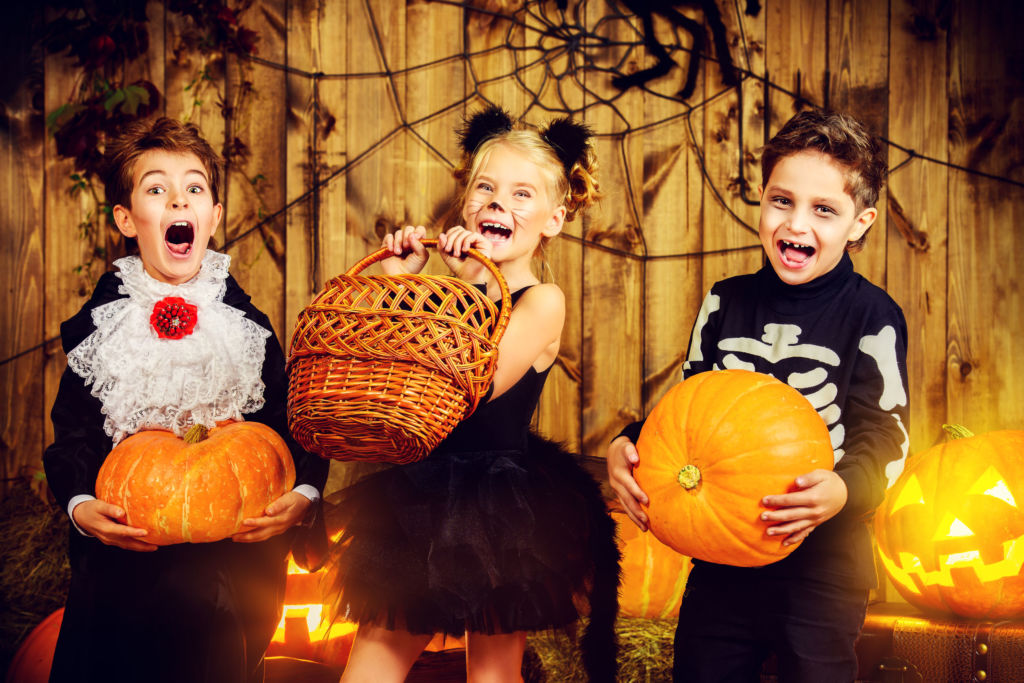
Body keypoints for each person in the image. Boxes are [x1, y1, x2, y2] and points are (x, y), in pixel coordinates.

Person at [607, 109, 910, 682]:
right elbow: (689, 406)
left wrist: (844, 489)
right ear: (763, 199)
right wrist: (630, 442)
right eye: (781, 201)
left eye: (824, 210)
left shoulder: (873, 316)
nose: (797, 224)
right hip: (720, 561)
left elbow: (887, 434)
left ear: (861, 222)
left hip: (824, 566)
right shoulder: (726, 302)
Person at [326, 106, 620, 683]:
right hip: (417, 494)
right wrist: (400, 281)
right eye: (485, 187)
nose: (496, 203)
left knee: (492, 672)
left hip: (497, 507)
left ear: (553, 220)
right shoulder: (450, 293)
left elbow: (469, 383)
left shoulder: (543, 301)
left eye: (520, 194)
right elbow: (388, 374)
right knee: (372, 663)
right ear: (465, 203)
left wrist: (469, 285)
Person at [42, 116, 330, 683]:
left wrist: (304, 492)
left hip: (231, 560)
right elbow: (72, 432)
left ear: (214, 217)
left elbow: (291, 422)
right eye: (157, 189)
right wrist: (80, 505)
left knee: (207, 637)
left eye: (194, 188)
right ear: (127, 219)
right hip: (126, 557)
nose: (179, 199)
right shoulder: (103, 329)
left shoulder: (245, 328)